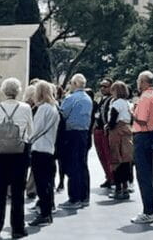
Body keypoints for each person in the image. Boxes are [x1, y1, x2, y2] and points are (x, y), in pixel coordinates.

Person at [0, 78, 33, 239]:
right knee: (17, 193)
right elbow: (31, 131)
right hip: (19, 154)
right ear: (18, 90)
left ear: (3, 91)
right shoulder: (26, 108)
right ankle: (17, 228)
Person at [130, 70, 153, 225]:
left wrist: (132, 111)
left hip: (142, 135)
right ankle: (152, 209)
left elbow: (142, 119)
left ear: (143, 82)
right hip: (152, 135)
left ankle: (148, 211)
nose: (137, 83)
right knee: (150, 174)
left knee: (143, 175)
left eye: (139, 80)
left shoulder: (144, 97)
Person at [29, 80, 61, 227]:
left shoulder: (43, 109)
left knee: (41, 183)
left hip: (39, 149)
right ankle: (47, 211)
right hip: (49, 148)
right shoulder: (54, 107)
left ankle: (44, 213)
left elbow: (35, 129)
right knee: (47, 182)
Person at [58, 74, 93, 210]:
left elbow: (63, 114)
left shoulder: (71, 98)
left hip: (71, 134)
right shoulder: (88, 99)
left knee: (73, 166)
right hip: (84, 133)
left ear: (74, 84)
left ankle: (74, 198)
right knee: (82, 165)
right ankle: (84, 197)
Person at [107, 80, 133, 201]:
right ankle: (126, 187)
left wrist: (109, 127)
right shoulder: (128, 103)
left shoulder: (116, 104)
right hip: (127, 131)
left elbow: (112, 120)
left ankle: (118, 188)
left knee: (116, 159)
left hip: (117, 132)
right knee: (126, 160)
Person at [92, 78, 114, 189]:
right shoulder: (101, 99)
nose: (102, 88)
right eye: (101, 86)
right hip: (98, 130)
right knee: (101, 155)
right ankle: (108, 177)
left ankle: (112, 177)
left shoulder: (112, 100)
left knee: (108, 155)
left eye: (105, 86)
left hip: (106, 131)